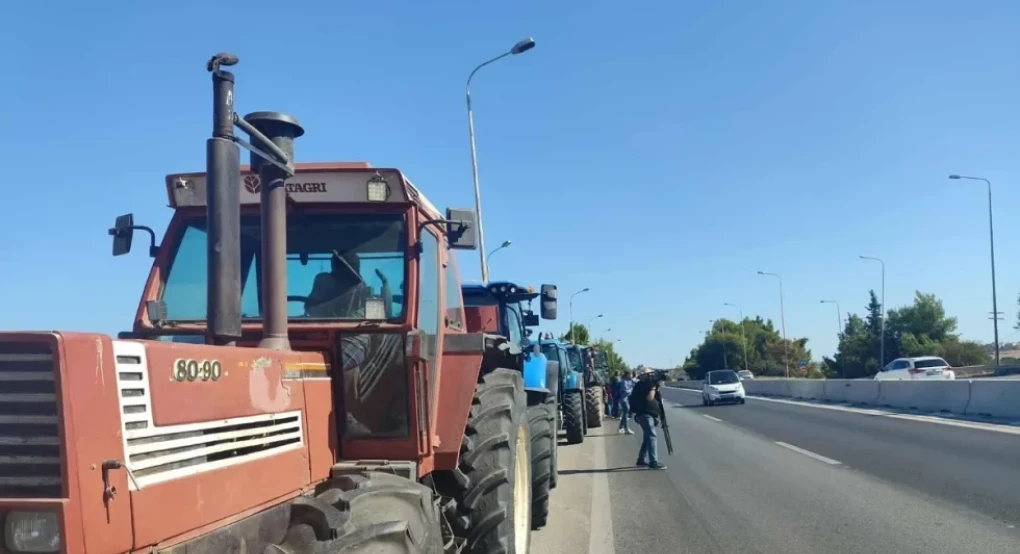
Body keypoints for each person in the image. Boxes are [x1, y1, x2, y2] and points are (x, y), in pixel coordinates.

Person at [629, 367, 666, 469]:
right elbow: (650, 398)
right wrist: (653, 388)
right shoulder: (644, 385)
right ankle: (653, 462)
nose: (651, 376)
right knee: (652, 437)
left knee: (647, 438)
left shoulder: (641, 384)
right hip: (645, 415)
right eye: (649, 374)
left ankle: (641, 460)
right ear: (644, 375)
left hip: (646, 415)